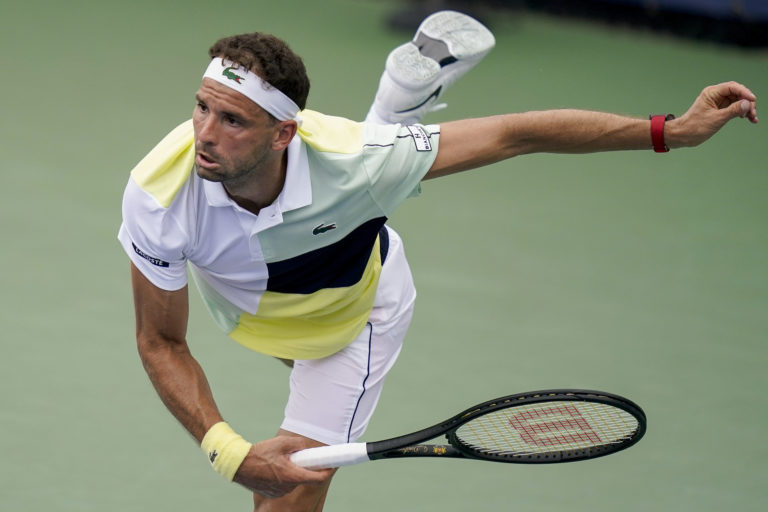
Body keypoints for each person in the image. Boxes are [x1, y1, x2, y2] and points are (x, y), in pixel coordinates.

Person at [117, 10, 757, 512]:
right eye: (202, 107)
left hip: (352, 319)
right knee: (377, 171)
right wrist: (229, 452)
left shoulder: (356, 162)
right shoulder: (158, 193)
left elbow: (517, 134)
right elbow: (160, 340)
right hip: (260, 316)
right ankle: (398, 106)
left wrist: (671, 131)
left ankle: (394, 119)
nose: (204, 134)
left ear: (284, 133)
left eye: (232, 121)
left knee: (288, 492)